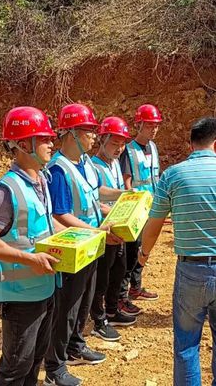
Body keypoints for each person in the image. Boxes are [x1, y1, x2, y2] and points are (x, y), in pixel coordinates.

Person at [138, 117, 216, 386]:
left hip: (191, 269)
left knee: (186, 343)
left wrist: (143, 256)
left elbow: (154, 225)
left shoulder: (173, 175)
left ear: (192, 144)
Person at [0, 106, 64, 386]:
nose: (51, 144)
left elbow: (46, 226)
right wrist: (29, 260)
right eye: (44, 138)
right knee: (16, 366)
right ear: (24, 144)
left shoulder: (41, 181)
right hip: (20, 294)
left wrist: (84, 236)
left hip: (45, 287)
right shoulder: (5, 192)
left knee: (35, 357)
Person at [43, 104, 125, 386]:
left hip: (91, 243)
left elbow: (94, 193)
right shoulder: (58, 170)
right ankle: (55, 366)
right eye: (88, 131)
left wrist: (122, 195)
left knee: (85, 299)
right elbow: (60, 215)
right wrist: (97, 230)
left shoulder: (85, 163)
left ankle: (76, 346)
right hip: (75, 246)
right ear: (71, 134)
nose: (93, 137)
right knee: (66, 305)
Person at [90, 116, 137, 342]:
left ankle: (112, 309)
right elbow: (93, 199)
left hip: (119, 225)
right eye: (114, 143)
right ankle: (98, 320)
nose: (119, 148)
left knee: (119, 269)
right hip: (103, 228)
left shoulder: (115, 163)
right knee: (102, 275)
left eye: (122, 144)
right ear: (102, 140)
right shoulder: (93, 166)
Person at [118, 104, 162, 314]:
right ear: (139, 125)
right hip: (137, 208)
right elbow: (127, 182)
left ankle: (136, 288)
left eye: (155, 125)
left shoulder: (153, 147)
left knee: (144, 248)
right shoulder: (128, 150)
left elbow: (155, 177)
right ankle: (122, 295)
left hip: (151, 206)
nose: (153, 129)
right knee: (131, 251)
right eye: (149, 125)